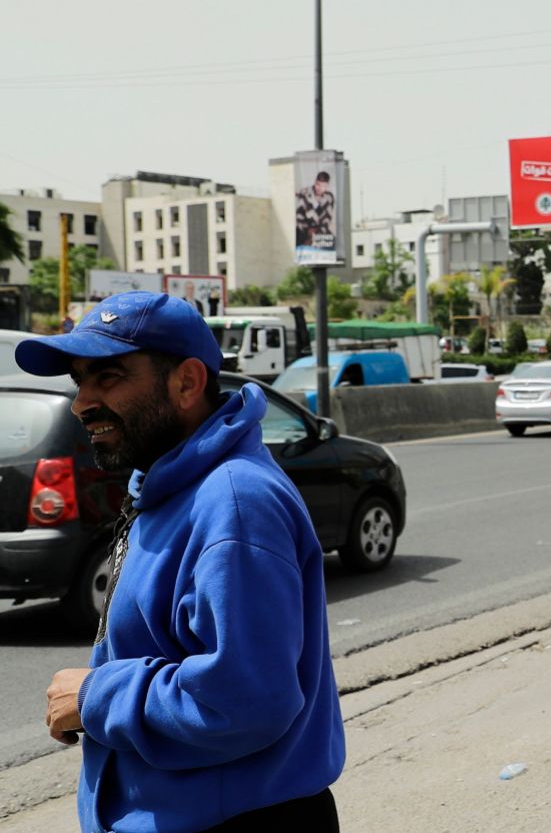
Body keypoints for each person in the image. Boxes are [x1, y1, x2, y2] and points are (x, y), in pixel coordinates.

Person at [15, 291, 345, 833]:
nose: (82, 404)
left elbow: (246, 698)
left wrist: (96, 695)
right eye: (80, 382)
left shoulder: (235, 502)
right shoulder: (169, 487)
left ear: (187, 383)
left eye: (109, 377)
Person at [295, 170, 335, 254]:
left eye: (323, 186)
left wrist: (317, 233)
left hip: (320, 230)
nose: (320, 188)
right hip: (304, 229)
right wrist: (307, 232)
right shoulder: (304, 193)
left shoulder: (329, 197)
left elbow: (327, 220)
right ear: (315, 182)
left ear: (327, 186)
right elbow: (299, 217)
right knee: (300, 246)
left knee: (332, 241)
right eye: (318, 184)